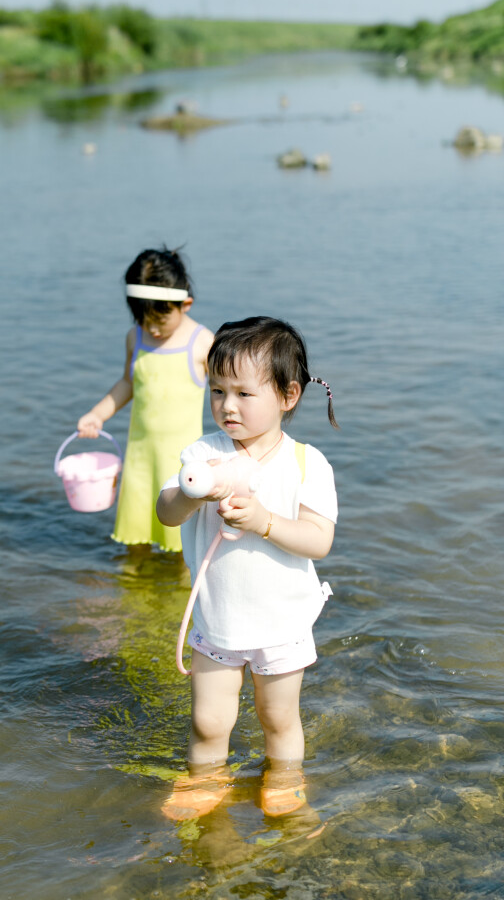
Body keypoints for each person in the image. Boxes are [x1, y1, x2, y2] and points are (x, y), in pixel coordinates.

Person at [155, 316, 339, 821]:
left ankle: (283, 778)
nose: (227, 406)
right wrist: (193, 494)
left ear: (288, 395)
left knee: (278, 716)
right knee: (209, 720)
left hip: (281, 624)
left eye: (242, 393)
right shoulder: (204, 454)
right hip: (218, 620)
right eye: (217, 391)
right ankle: (204, 780)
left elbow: (318, 540)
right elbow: (166, 510)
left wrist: (263, 521)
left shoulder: (306, 464)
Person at [77, 248, 213, 553]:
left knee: (184, 546)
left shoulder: (202, 343)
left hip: (182, 461)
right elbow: (129, 382)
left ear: (185, 304)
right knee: (135, 539)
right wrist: (98, 414)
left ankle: (179, 597)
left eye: (160, 318)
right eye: (143, 318)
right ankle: (133, 592)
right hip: (140, 457)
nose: (152, 327)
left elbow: (224, 394)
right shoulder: (135, 337)